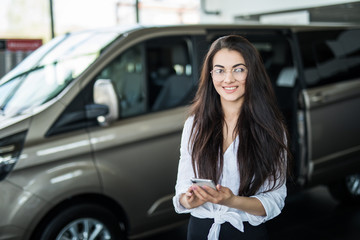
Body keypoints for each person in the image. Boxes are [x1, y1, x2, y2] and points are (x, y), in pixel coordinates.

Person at [172, 35, 292, 240]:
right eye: (220, 70)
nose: (228, 79)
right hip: (200, 230)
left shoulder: (270, 128)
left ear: (252, 73)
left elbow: (274, 199)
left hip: (245, 233)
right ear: (211, 75)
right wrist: (189, 200)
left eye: (238, 69)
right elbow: (182, 188)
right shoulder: (195, 125)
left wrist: (230, 200)